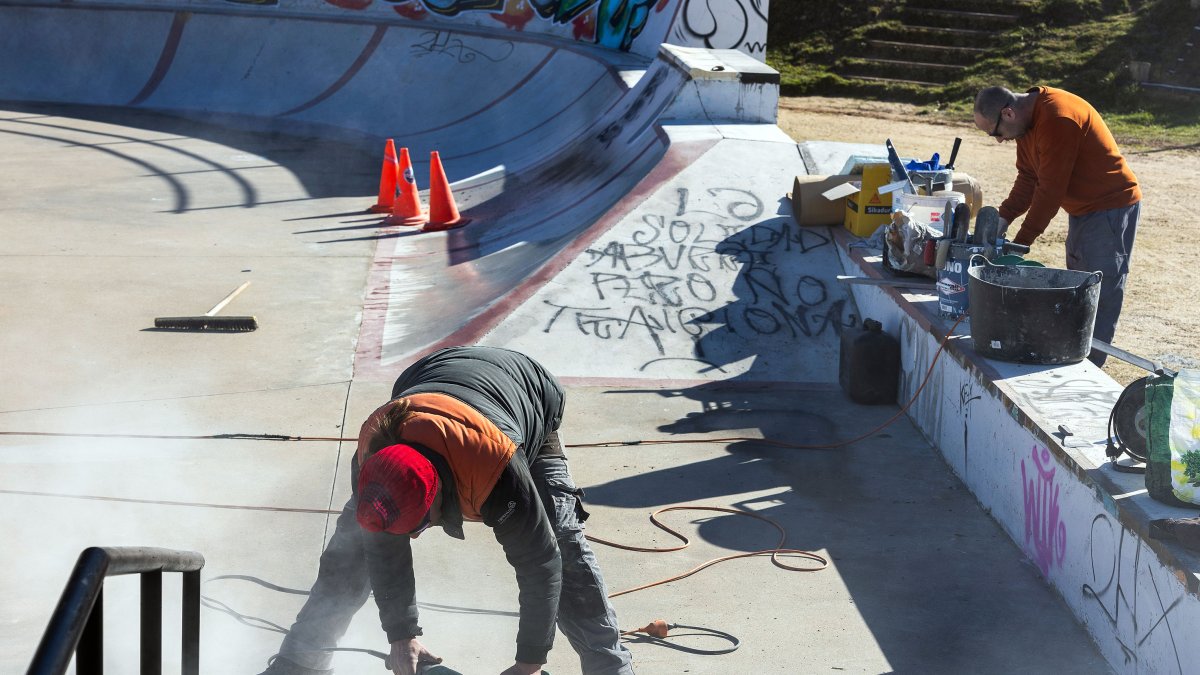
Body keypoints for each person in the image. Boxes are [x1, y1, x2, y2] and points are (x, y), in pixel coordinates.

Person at [261, 346, 635, 675]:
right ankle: (299, 664)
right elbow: (382, 552)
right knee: (352, 549)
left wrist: (530, 663)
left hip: (529, 392)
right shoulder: (372, 453)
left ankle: (610, 668)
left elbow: (540, 563)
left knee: (564, 549)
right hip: (433, 375)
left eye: (418, 525)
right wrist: (402, 635)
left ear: (438, 493)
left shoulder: (497, 464)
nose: (413, 535)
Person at [973, 85, 1141, 366]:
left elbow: (1050, 191)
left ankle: (1089, 370)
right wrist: (1003, 219)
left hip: (1110, 208)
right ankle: (1075, 357)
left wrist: (1023, 241)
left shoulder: (1059, 119)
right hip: (1083, 211)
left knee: (1098, 292)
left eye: (995, 133)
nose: (999, 140)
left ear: (1008, 112)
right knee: (1078, 288)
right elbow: (1029, 177)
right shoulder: (1026, 126)